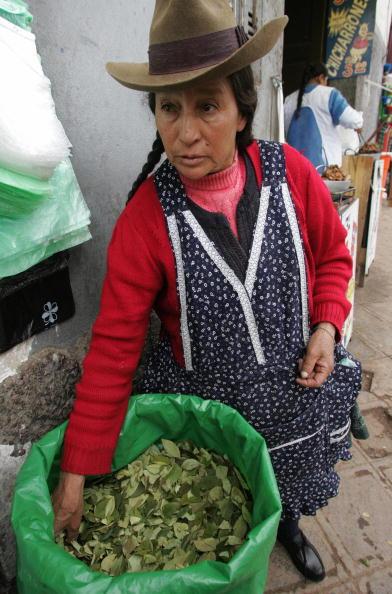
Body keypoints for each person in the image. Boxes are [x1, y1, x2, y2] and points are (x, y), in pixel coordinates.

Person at [52, 1, 362, 584]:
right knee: (227, 505)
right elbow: (115, 348)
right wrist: (77, 467)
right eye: (169, 108)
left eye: (208, 106)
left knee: (286, 486)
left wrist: (325, 324)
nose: (186, 132)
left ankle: (289, 527)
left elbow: (331, 257)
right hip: (211, 415)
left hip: (293, 390)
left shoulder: (292, 174)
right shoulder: (148, 219)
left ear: (242, 111)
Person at [284, 62, 363, 170]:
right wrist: (359, 124)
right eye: (326, 80)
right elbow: (354, 120)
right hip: (325, 170)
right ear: (321, 78)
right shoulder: (329, 94)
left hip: (294, 168)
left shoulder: (289, 100)